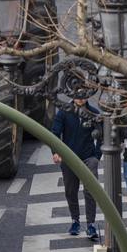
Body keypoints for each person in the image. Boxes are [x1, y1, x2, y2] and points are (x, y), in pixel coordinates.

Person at [51, 94, 101, 240]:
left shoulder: (94, 113)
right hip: (69, 158)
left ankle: (91, 224)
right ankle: (75, 221)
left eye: (83, 95)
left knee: (91, 190)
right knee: (70, 191)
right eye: (77, 95)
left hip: (88, 158)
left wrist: (96, 157)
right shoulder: (64, 111)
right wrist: (56, 152)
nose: (80, 98)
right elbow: (55, 133)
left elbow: (102, 135)